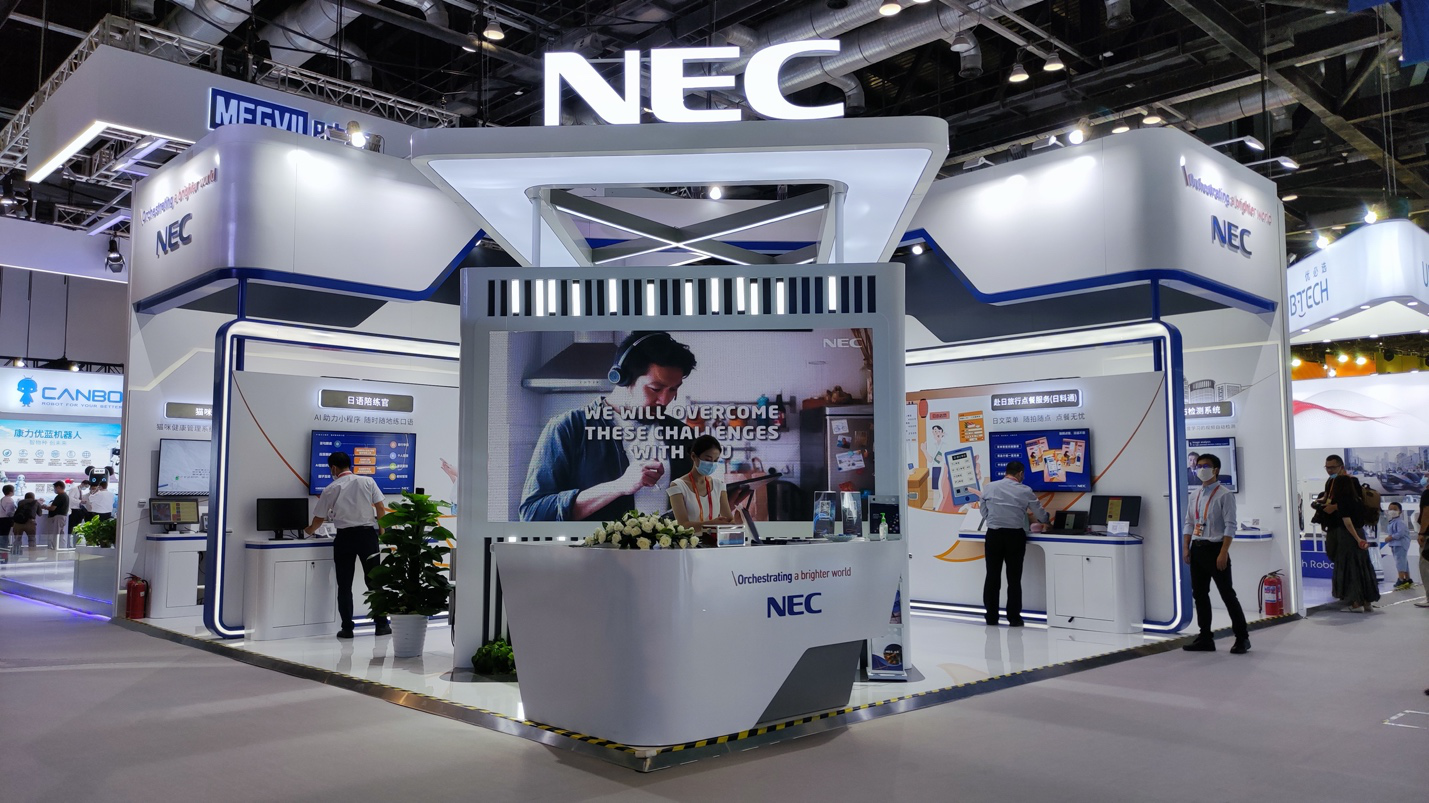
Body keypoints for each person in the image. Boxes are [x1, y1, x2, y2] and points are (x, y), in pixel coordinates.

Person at [520, 331, 696, 522]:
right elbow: (533, 514)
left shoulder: (681, 433)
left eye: (673, 389)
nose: (665, 400)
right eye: (656, 389)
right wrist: (619, 486)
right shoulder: (567, 428)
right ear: (623, 378)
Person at [304, 452, 392, 639]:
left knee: (344, 584)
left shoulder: (330, 488)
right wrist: (382, 532)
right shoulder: (367, 481)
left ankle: (347, 628)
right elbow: (380, 508)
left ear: (333, 468)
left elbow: (318, 519)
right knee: (374, 581)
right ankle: (382, 624)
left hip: (344, 538)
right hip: (367, 536)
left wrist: (307, 531)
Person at [1182, 453, 1251, 653]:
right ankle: (1205, 637)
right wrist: (1186, 546)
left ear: (1216, 470)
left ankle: (1242, 638)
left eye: (1205, 466)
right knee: (1200, 595)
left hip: (1216, 549)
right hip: (1197, 549)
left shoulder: (1224, 494)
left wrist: (1223, 552)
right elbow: (1189, 522)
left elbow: (1230, 526)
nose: (1201, 469)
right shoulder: (1194, 495)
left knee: (1227, 594)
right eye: (1199, 466)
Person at [978, 460, 1049, 627]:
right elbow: (1040, 513)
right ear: (1020, 473)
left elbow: (983, 510)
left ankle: (991, 617)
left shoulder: (990, 487)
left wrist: (993, 520)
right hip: (1015, 536)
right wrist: (1047, 521)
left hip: (993, 535)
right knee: (1014, 578)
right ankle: (1014, 618)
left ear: (1006, 472)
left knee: (992, 577)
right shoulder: (1025, 490)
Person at [1321, 463, 1379, 613]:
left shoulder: (1343, 502)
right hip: (1360, 533)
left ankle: (1355, 603)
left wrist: (1357, 539)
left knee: (1349, 569)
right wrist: (1360, 538)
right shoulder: (1358, 500)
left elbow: (1347, 523)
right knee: (1363, 567)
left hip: (1348, 537)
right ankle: (1367, 602)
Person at [668, 435, 738, 537]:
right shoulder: (678, 486)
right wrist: (711, 524)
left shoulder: (719, 485)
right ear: (694, 456)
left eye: (715, 460)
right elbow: (683, 525)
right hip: (689, 542)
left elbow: (728, 520)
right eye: (708, 459)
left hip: (713, 542)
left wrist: (737, 520)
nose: (712, 464)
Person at [1381, 501, 1412, 590]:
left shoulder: (1400, 522)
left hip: (1400, 544)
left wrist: (1390, 538)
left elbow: (1400, 533)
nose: (1392, 511)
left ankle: (1401, 579)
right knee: (1403, 562)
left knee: (1400, 562)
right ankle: (1407, 579)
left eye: (1395, 509)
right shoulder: (1393, 522)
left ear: (1400, 511)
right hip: (1396, 545)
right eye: (1390, 509)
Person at [924, 425, 947, 509]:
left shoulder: (946, 445)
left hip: (944, 468)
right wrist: (924, 450)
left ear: (942, 433)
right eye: (934, 431)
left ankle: (942, 506)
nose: (936, 433)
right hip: (935, 468)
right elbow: (930, 460)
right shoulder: (932, 445)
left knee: (943, 488)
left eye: (938, 431)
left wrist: (943, 459)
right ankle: (935, 507)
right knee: (935, 489)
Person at [41, 480, 70, 548]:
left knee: (56, 534)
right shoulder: (65, 496)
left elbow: (52, 508)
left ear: (58, 487)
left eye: (55, 488)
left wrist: (45, 507)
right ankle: (62, 547)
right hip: (62, 517)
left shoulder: (60, 496)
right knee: (61, 534)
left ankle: (55, 548)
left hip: (58, 517)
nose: (54, 490)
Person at [0, 485, 15, 551]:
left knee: (2, 535)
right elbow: (9, 512)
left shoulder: (2, 499)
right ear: (11, 492)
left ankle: (2, 548)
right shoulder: (10, 500)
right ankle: (4, 549)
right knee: (5, 535)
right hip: (6, 520)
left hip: (1, 519)